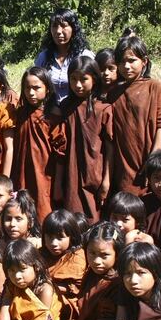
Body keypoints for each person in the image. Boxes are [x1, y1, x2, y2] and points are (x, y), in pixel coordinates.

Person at [48, 221, 123, 320]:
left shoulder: (117, 283)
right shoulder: (91, 274)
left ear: (117, 254)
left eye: (104, 255)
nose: (96, 260)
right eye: (92, 253)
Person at [106, 35, 161, 196]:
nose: (126, 66)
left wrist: (153, 160)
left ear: (144, 61)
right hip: (125, 159)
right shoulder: (114, 93)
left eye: (132, 60)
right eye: (121, 61)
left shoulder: (154, 87)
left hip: (149, 155)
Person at [60, 56, 113, 224]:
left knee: (94, 222)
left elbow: (110, 148)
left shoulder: (103, 109)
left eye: (84, 79)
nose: (78, 85)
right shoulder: (65, 107)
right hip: (71, 173)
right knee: (73, 220)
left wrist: (106, 180)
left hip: (94, 174)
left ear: (94, 79)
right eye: (73, 79)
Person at [12, 66, 66, 223]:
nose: (31, 93)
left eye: (36, 88)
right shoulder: (20, 113)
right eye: (27, 88)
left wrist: (58, 184)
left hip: (45, 173)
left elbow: (60, 150)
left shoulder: (52, 115)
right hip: (21, 172)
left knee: (44, 210)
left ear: (47, 89)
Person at [33, 8, 95, 103]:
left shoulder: (84, 56)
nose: (58, 31)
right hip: (51, 112)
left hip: (78, 111)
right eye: (54, 26)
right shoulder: (44, 57)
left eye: (63, 26)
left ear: (73, 29)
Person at [40, 209, 87, 320]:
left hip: (64, 304)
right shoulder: (40, 254)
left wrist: (48, 287)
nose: (54, 243)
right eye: (49, 237)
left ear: (72, 237)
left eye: (60, 238)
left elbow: (76, 286)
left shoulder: (76, 255)